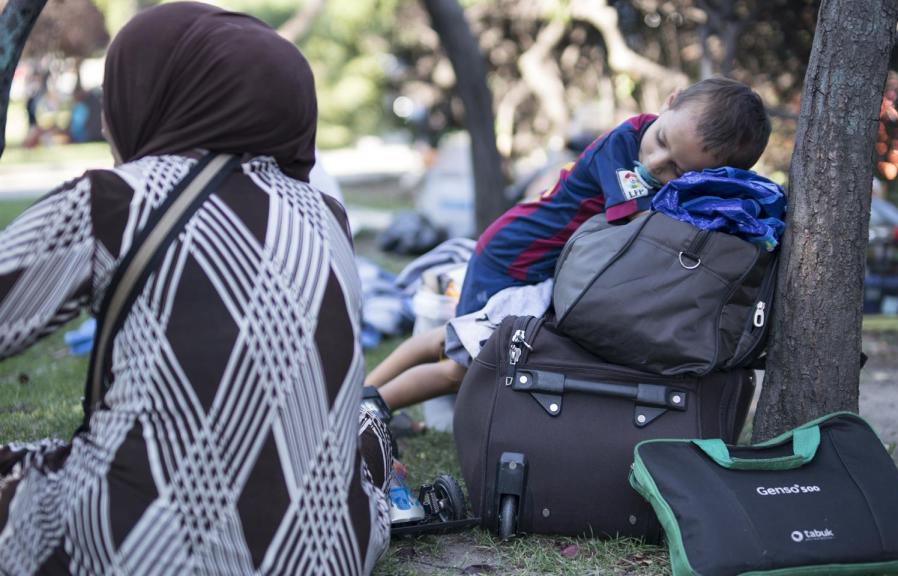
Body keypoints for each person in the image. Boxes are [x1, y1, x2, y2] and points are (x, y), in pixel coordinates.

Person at [0, 3, 391, 574]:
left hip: (141, 549)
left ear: (161, 96)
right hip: (334, 553)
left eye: (120, 92)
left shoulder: (115, 201)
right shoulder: (327, 214)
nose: (109, 121)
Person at [367, 77, 772, 411]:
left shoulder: (654, 152)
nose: (654, 164)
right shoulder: (623, 145)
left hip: (536, 262)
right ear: (670, 100)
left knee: (455, 338)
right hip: (515, 257)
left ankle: (367, 395)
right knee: (467, 363)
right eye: (662, 140)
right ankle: (373, 405)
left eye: (677, 169)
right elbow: (641, 226)